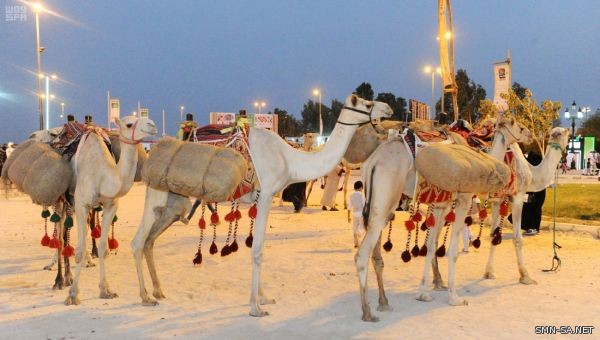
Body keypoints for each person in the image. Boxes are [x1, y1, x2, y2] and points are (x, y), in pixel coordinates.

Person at [521, 150, 545, 236]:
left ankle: (532, 227)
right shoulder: (539, 161)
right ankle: (534, 228)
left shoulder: (534, 158)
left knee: (528, 208)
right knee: (534, 208)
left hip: (533, 190)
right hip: (536, 189)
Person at [347, 180, 366, 248]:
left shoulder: (351, 195)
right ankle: (358, 234)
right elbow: (364, 205)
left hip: (354, 213)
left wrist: (348, 217)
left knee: (355, 227)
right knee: (362, 228)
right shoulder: (362, 195)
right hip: (361, 213)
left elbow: (349, 207)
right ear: (361, 188)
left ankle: (356, 242)